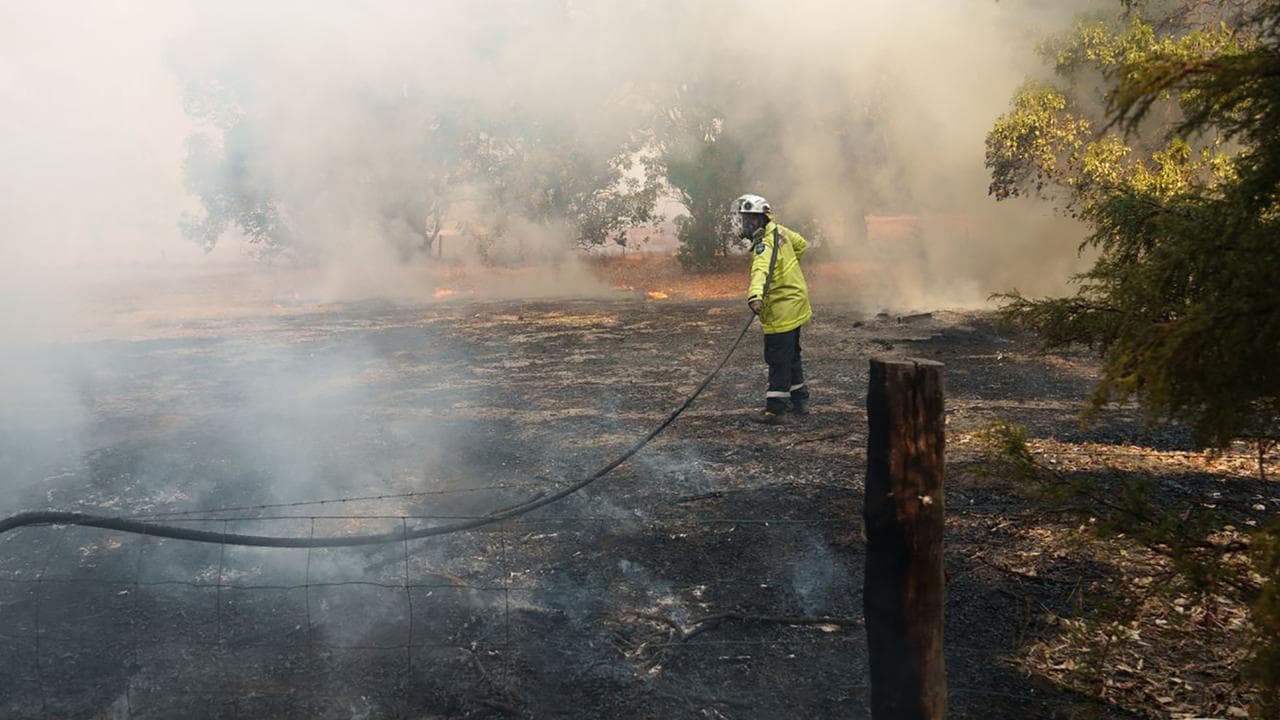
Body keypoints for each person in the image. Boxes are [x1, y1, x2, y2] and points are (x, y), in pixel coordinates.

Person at [737, 194, 812, 425]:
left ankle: (776, 410)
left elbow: (760, 271)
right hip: (796, 303)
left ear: (763, 219)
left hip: (781, 309)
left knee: (778, 359)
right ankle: (800, 401)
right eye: (745, 219)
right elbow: (802, 245)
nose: (747, 224)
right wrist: (787, 269)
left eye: (751, 219)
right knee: (792, 356)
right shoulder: (781, 232)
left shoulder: (764, 245)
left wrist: (755, 297)